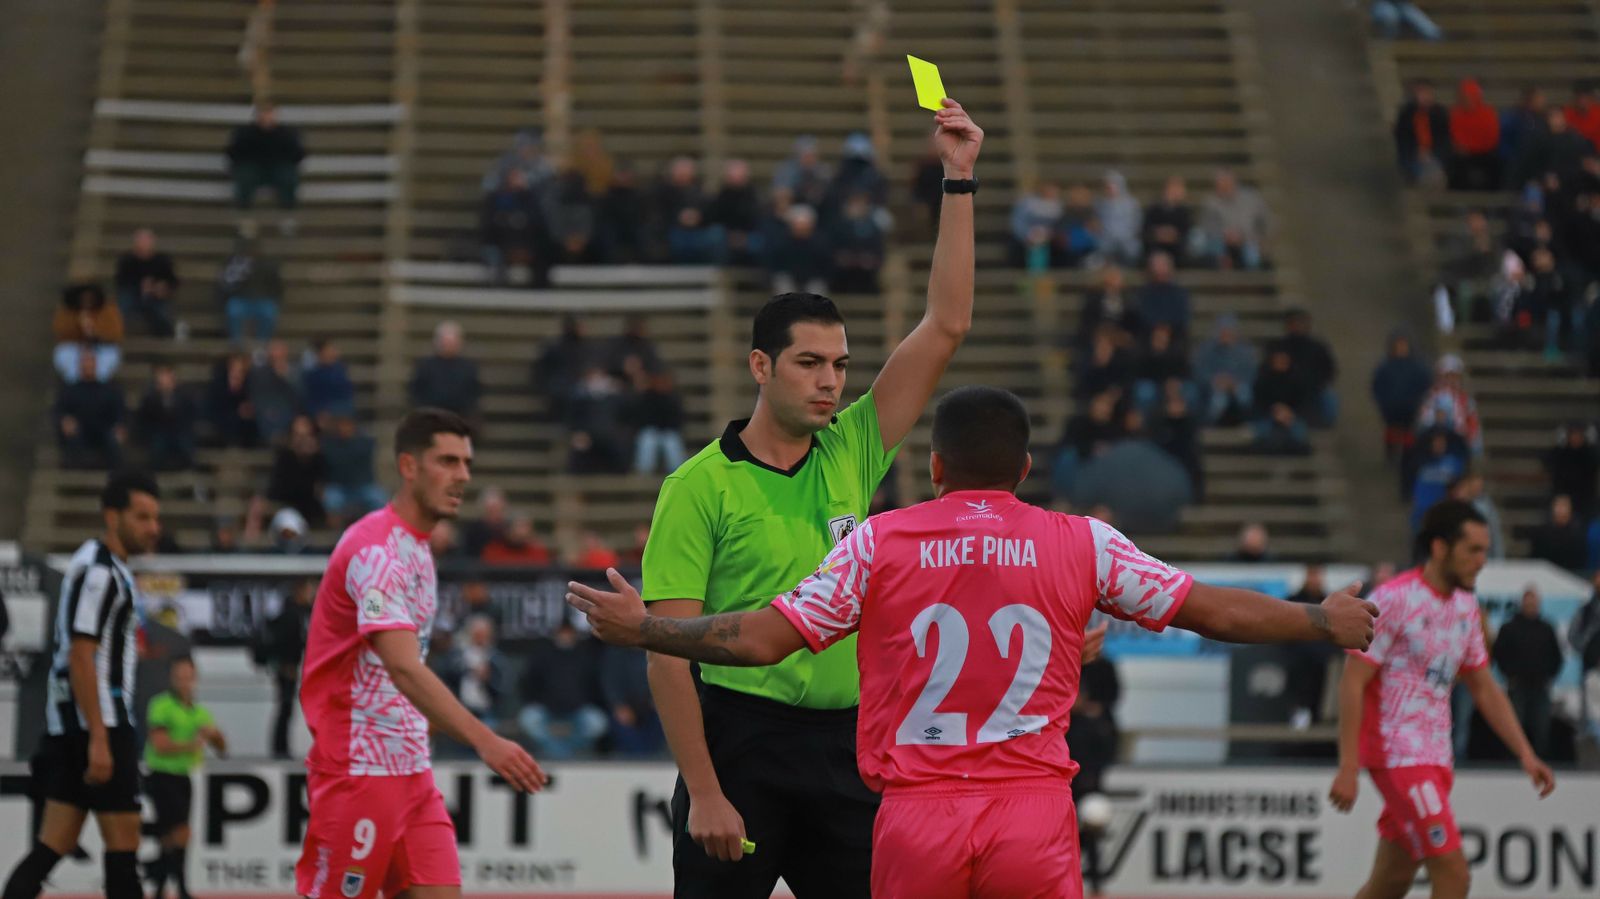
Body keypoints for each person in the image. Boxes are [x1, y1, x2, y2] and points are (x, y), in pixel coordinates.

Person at [569, 385, 1379, 899]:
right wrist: (1317, 617)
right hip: (1032, 812)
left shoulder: (880, 543)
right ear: (1024, 467)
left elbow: (762, 639)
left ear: (933, 467)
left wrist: (647, 627)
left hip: (918, 814)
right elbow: (1214, 611)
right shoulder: (1082, 543)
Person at [587, 99, 981, 897]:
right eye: (810, 363)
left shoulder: (854, 445)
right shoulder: (698, 485)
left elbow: (946, 323)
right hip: (740, 747)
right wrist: (703, 789)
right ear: (761, 367)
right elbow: (668, 650)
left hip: (848, 746)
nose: (832, 380)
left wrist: (958, 179)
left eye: (839, 364)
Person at [295, 409, 547, 899]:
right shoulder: (376, 551)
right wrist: (485, 740)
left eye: (467, 463)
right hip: (359, 771)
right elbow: (404, 668)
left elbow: (406, 667)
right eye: (448, 462)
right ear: (408, 467)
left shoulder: (417, 548)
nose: (463, 477)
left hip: (411, 771)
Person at [1330, 501, 1557, 899]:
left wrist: (1526, 753)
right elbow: (1353, 681)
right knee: (1453, 874)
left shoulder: (1467, 608)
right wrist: (1349, 766)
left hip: (1437, 759)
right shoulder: (1394, 599)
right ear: (1440, 548)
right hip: (1399, 756)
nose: (1482, 561)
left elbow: (1484, 686)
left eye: (1485, 550)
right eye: (1473, 550)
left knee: (1390, 883)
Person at [1, 471, 161, 899]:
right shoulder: (101, 573)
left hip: (71, 725)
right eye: (142, 517)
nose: (153, 528)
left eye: (155, 518)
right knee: (124, 856)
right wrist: (99, 738)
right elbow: (80, 653)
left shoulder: (91, 561)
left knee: (51, 847)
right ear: (113, 517)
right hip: (99, 725)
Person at [143, 656, 227, 899]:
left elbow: (221, 747)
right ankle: (178, 886)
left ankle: (161, 884)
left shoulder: (198, 711)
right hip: (161, 775)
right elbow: (159, 744)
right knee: (179, 832)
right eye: (179, 676)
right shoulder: (161, 705)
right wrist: (191, 745)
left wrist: (215, 736)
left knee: (172, 836)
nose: (184, 681)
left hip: (183, 776)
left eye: (188, 676)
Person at [516, 619, 607, 759]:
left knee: (597, 723)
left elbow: (594, 686)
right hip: (547, 708)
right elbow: (527, 683)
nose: (565, 636)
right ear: (556, 634)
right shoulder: (543, 655)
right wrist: (538, 700)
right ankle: (563, 755)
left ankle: (562, 753)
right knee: (529, 720)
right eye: (562, 632)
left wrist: (584, 701)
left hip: (577, 709)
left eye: (569, 632)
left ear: (574, 634)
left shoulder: (585, 656)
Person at [1492, 588, 1564, 758]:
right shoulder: (1509, 627)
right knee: (1515, 726)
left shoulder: (1546, 628)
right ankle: (1514, 760)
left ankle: (1540, 761)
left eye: (1534, 601)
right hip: (1518, 685)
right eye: (1528, 601)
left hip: (1540, 685)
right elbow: (1499, 653)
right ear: (1522, 603)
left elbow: (1556, 656)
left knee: (1541, 726)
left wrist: (1548, 675)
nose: (1531, 605)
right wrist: (1509, 674)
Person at [226, 102, 305, 222]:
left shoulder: (287, 134)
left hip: (279, 169)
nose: (266, 117)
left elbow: (298, 154)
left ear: (276, 115)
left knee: (289, 177)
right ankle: (244, 216)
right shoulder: (245, 133)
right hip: (253, 169)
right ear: (257, 116)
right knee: (245, 177)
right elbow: (233, 152)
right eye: (263, 114)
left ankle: (288, 214)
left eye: (270, 114)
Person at [264, 579, 313, 759]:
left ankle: (282, 748)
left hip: (293, 666)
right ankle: (280, 749)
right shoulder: (290, 615)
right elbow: (285, 642)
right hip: (287, 668)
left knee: (287, 709)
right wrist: (287, 664)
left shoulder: (298, 613)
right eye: (308, 590)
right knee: (285, 708)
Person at [55, 353, 126, 471]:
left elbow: (119, 411)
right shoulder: (69, 390)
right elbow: (59, 410)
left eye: (90, 362)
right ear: (79, 366)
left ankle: (115, 474)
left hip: (104, 429)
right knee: (73, 438)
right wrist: (65, 420)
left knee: (113, 440)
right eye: (85, 362)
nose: (88, 366)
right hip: (79, 430)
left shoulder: (109, 390)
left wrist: (120, 426)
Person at [1371, 330, 1433, 459]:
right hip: (1390, 411)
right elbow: (1377, 386)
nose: (1401, 348)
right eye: (1398, 345)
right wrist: (1384, 403)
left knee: (1408, 438)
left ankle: (1407, 457)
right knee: (1392, 434)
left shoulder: (1418, 367)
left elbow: (1426, 386)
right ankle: (1391, 455)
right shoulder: (1385, 367)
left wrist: (1419, 403)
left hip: (1411, 410)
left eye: (1403, 345)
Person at [408, 321, 483, 421]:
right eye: (446, 342)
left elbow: (474, 392)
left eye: (452, 342)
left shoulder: (468, 368)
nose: (448, 345)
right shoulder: (425, 366)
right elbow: (416, 391)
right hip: (430, 417)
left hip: (460, 417)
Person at [216, 234, 282, 344]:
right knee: (233, 309)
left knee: (269, 312)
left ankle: (262, 343)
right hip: (241, 301)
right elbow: (224, 285)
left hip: (262, 300)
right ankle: (237, 344)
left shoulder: (267, 264)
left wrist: (273, 299)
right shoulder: (233, 263)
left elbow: (277, 287)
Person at [113, 228, 178, 338]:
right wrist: (140, 286)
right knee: (121, 307)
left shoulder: (163, 260)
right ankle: (114, 334)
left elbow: (172, 281)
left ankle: (164, 337)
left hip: (156, 296)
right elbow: (120, 281)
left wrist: (161, 287)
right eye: (141, 240)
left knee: (162, 314)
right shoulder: (127, 260)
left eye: (147, 240)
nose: (144, 244)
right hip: (132, 294)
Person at [134, 363, 198, 472]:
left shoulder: (184, 395)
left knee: (186, 447)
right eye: (162, 376)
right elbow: (144, 418)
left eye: (167, 375)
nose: (165, 379)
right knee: (157, 448)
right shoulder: (150, 397)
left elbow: (190, 415)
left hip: (179, 432)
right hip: (159, 433)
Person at [1394, 79, 1452, 186]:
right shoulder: (1406, 115)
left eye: (1425, 93)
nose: (1422, 97)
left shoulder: (1440, 114)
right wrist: (1416, 152)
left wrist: (1431, 153)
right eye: (1419, 93)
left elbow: (1445, 139)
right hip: (1413, 156)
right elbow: (1402, 139)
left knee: (1434, 172)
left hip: (1434, 156)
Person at [1448, 78, 1502, 191]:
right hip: (1464, 154)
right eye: (1464, 97)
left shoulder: (1488, 113)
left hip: (1484, 153)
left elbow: (1492, 137)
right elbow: (1454, 136)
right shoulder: (1455, 114)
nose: (1467, 100)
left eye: (1470, 96)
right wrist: (1461, 147)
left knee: (1496, 163)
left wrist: (1474, 147)